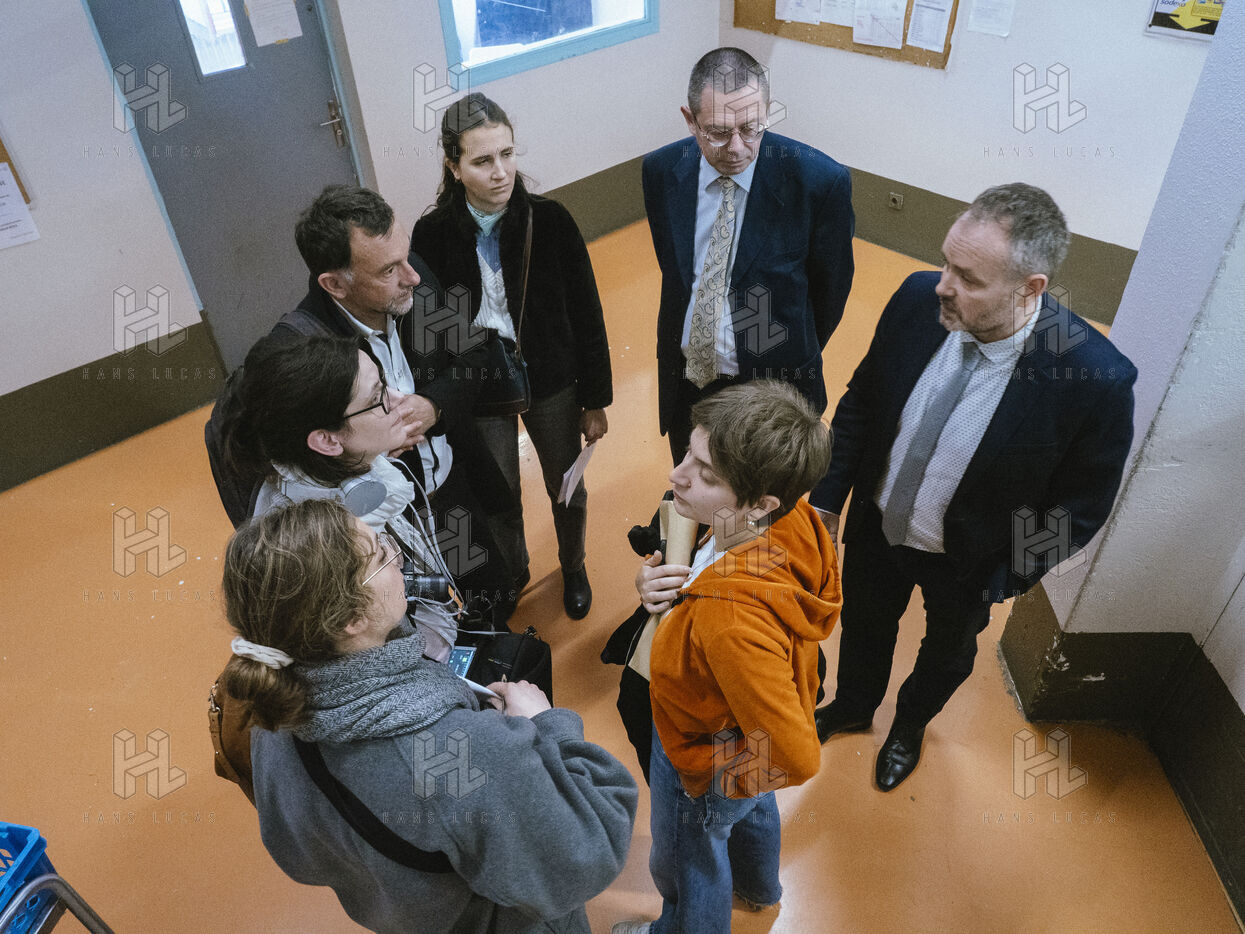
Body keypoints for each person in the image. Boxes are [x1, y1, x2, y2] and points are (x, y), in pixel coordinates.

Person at [810, 183, 1137, 791]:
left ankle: (909, 726)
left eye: (967, 278)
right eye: (945, 263)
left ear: (1029, 288)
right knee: (865, 623)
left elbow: (1080, 507)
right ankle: (853, 705)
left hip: (969, 562)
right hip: (878, 525)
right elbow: (863, 402)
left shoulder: (1093, 378)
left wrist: (1006, 575)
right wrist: (828, 500)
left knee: (947, 654)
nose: (943, 285)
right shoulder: (915, 300)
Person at [220, 498, 637, 934]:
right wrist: (546, 727)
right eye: (380, 555)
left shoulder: (272, 716)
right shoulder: (457, 752)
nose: (398, 557)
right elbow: (588, 853)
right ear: (351, 619)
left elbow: (298, 857)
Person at [612, 380, 841, 934]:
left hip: (703, 751)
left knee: (686, 861)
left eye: (707, 475)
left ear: (759, 503)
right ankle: (759, 887)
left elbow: (797, 757)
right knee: (754, 809)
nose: (677, 475)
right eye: (688, 454)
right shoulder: (792, 519)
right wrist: (661, 583)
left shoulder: (730, 620)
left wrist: (713, 779)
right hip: (742, 725)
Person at [411, 93, 613, 620]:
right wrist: (439, 400)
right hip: (479, 385)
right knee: (497, 493)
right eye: (482, 160)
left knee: (567, 485)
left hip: (551, 378)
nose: (500, 172)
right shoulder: (431, 234)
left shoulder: (551, 221)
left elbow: (587, 312)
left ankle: (573, 566)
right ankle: (513, 573)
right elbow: (428, 329)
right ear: (453, 166)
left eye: (507, 154)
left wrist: (595, 399)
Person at [279, 184, 516, 614]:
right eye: (389, 270)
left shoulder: (411, 284)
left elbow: (474, 354)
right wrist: (366, 446)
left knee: (490, 604)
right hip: (387, 534)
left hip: (451, 497)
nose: (413, 276)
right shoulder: (304, 352)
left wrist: (434, 406)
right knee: (428, 627)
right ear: (335, 284)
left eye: (406, 257)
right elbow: (298, 464)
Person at [642, 46, 855, 463]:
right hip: (689, 382)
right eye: (718, 132)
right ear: (690, 120)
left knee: (760, 499)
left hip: (772, 391)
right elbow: (676, 271)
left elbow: (829, 295)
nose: (737, 147)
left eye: (751, 128)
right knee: (694, 488)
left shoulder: (818, 183)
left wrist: (779, 350)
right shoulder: (661, 171)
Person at [220, 332, 465, 658]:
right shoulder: (310, 546)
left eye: (385, 384)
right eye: (377, 398)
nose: (400, 399)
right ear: (327, 440)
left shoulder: (341, 463)